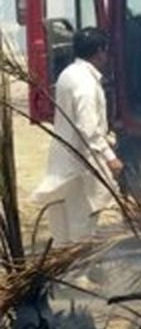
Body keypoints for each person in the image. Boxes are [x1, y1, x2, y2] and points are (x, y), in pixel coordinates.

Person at [30, 28, 123, 245]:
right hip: (82, 159)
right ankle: (79, 271)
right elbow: (88, 129)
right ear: (100, 51)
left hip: (67, 156)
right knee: (83, 218)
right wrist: (110, 158)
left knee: (66, 220)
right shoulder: (86, 84)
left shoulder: (69, 74)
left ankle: (73, 266)